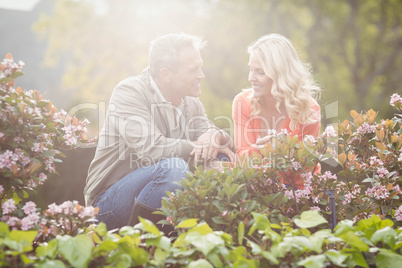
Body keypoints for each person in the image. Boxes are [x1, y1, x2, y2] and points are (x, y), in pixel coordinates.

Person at [84, 33, 234, 232]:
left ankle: (211, 239)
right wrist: (202, 144)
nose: (201, 75)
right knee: (173, 168)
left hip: (157, 197)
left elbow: (209, 131)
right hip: (107, 206)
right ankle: (143, 248)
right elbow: (152, 149)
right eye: (193, 69)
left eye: (201, 67)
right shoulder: (130, 92)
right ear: (165, 74)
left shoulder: (189, 100)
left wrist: (215, 136)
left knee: (222, 158)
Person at [232, 33, 321, 188]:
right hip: (256, 188)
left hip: (298, 192)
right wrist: (259, 152)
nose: (251, 78)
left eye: (260, 72)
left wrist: (270, 156)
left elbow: (302, 173)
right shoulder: (242, 102)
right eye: (251, 70)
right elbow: (241, 159)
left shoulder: (308, 110)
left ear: (280, 74)